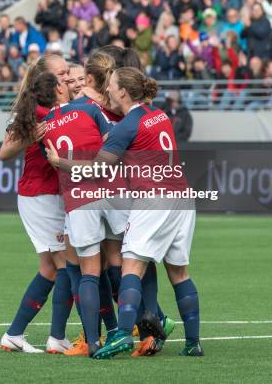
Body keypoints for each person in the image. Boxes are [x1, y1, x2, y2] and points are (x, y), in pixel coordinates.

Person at [48, 68, 203, 359]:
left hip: (154, 200)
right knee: (179, 273)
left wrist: (60, 162)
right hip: (182, 198)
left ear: (122, 92)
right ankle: (193, 343)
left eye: (112, 86)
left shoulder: (127, 126)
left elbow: (97, 168)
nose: (107, 90)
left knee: (130, 266)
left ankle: (121, 334)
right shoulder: (159, 114)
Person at [37, 72, 120, 358]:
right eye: (64, 79)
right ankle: (136, 329)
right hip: (109, 190)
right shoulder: (89, 109)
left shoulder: (42, 127)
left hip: (78, 199)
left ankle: (93, 343)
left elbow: (50, 162)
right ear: (60, 89)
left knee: (89, 273)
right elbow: (113, 145)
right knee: (123, 261)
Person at [0, 53, 73, 354]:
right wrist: (30, 136)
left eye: (68, 72)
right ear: (46, 78)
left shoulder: (63, 106)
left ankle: (15, 334)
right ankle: (57, 336)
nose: (67, 77)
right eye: (62, 73)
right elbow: (4, 151)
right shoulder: (33, 110)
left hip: (54, 193)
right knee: (65, 265)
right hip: (41, 194)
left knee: (51, 268)